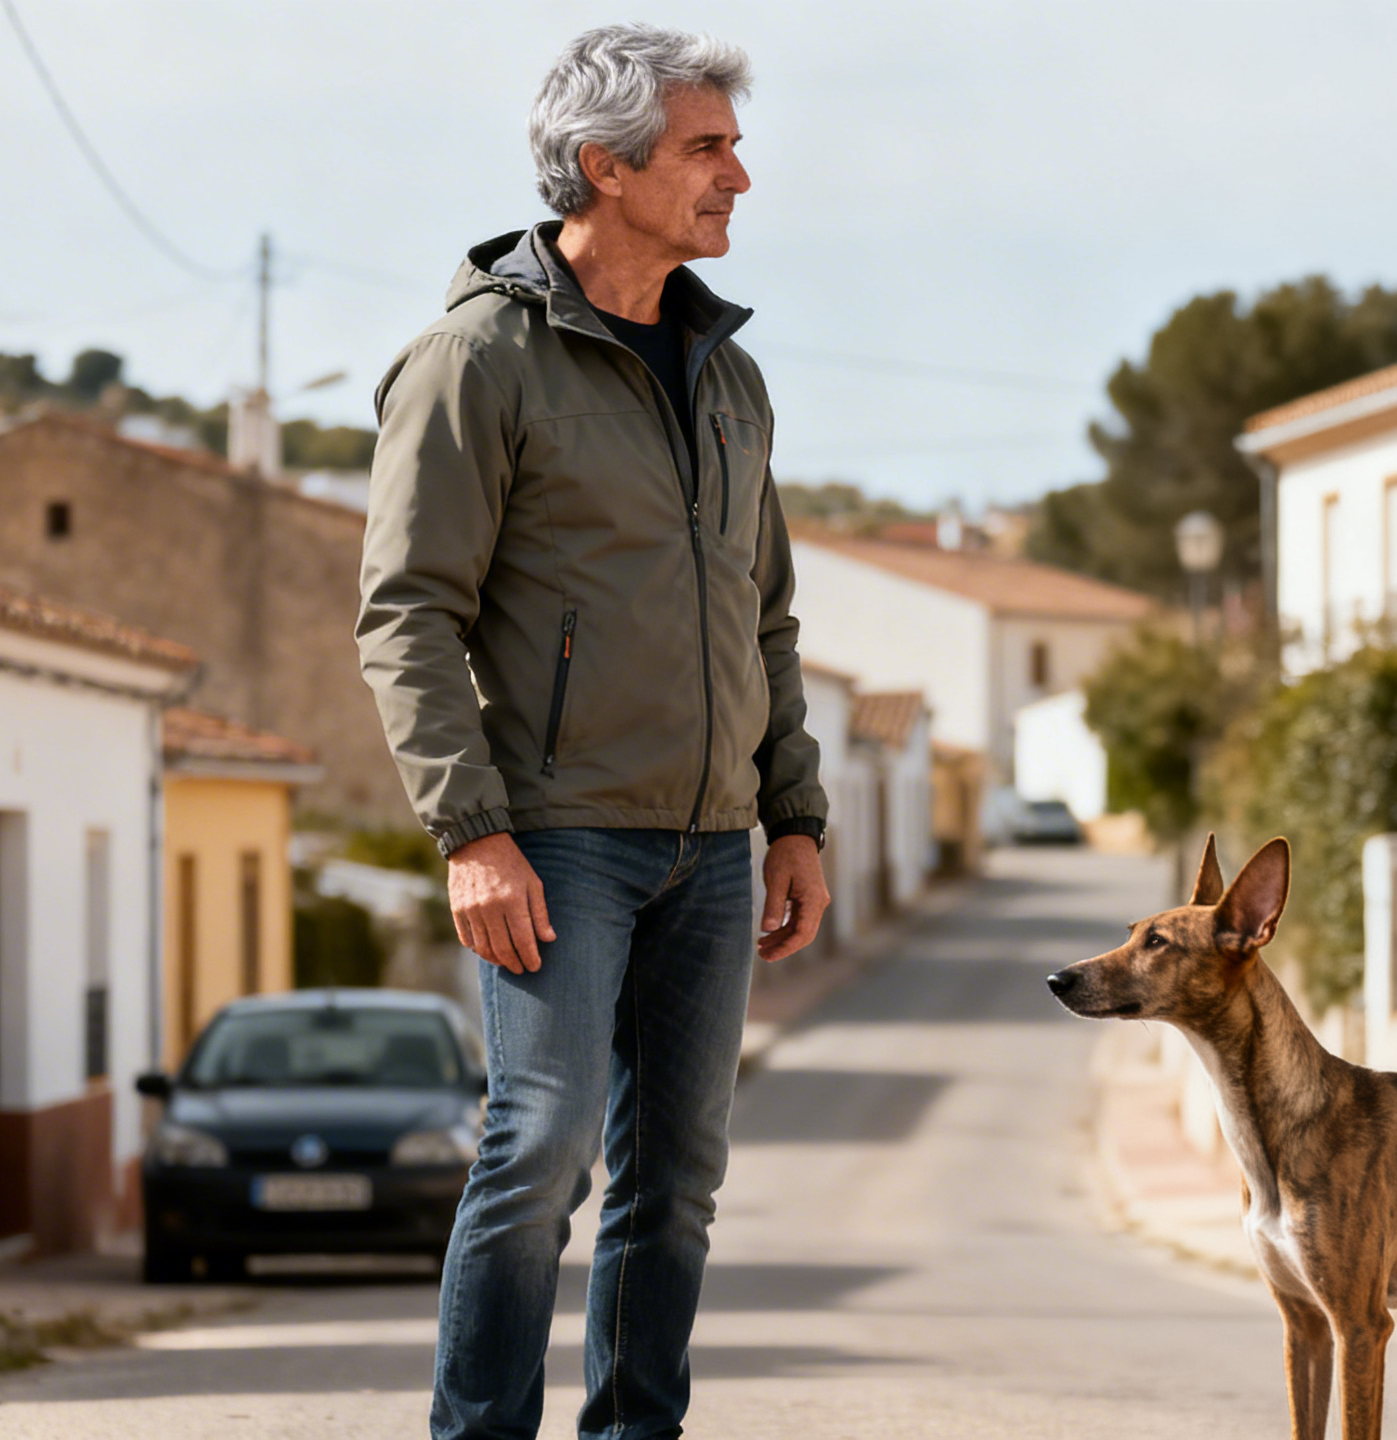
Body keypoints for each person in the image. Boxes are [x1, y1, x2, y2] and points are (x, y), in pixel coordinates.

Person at [354, 24, 828, 1439]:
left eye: (732, 146)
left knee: (676, 1175)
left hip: (712, 846)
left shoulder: (728, 377)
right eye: (707, 147)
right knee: (541, 1146)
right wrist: (472, 830)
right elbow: (407, 615)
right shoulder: (476, 361)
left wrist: (792, 816)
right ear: (606, 166)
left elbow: (769, 619)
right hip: (554, 839)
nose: (739, 174)